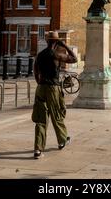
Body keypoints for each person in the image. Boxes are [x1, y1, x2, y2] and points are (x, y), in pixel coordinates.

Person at [32, 31, 77, 159]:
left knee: (40, 119)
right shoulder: (57, 55)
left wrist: (40, 83)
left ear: (47, 41)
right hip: (53, 88)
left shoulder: (39, 55)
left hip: (41, 88)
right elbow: (74, 58)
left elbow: (35, 72)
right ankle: (62, 141)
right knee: (57, 114)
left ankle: (38, 149)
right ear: (56, 42)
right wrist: (65, 45)